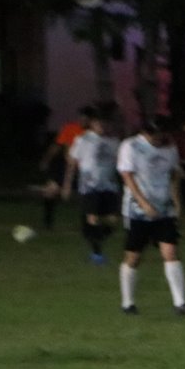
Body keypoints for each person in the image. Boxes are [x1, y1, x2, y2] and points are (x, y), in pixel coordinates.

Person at [116, 116, 185, 316]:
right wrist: (143, 203)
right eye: (153, 134)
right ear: (145, 132)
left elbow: (173, 175)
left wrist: (176, 202)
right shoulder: (131, 146)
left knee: (171, 252)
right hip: (138, 211)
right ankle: (128, 302)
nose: (158, 137)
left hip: (164, 209)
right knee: (134, 257)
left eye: (161, 133)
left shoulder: (169, 147)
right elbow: (127, 176)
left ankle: (180, 303)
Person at [62, 110, 121, 264]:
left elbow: (119, 163)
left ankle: (90, 234)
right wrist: (67, 184)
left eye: (105, 123)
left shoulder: (114, 141)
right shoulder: (83, 139)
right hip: (89, 185)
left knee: (113, 221)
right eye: (99, 123)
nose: (102, 126)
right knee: (93, 217)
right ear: (93, 124)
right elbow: (72, 163)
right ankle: (97, 254)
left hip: (109, 185)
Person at [38, 105, 93, 230]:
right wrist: (46, 159)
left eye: (86, 118)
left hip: (84, 169)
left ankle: (87, 225)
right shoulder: (70, 128)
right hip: (66, 166)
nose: (83, 120)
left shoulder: (92, 134)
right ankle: (47, 223)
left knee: (87, 196)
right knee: (50, 191)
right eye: (81, 117)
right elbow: (57, 145)